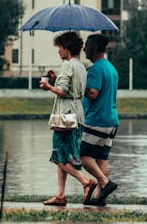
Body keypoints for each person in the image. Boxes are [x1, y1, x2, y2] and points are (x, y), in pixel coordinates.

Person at [40, 31, 97, 206]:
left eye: (59, 48)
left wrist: (48, 86)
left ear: (66, 48)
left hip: (65, 115)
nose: (58, 52)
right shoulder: (81, 66)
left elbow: (63, 91)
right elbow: (71, 88)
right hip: (78, 114)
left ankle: (85, 181)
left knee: (58, 155)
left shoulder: (67, 65)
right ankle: (60, 194)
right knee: (65, 155)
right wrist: (56, 79)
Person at [80, 34, 119, 206]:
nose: (84, 49)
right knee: (101, 159)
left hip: (96, 120)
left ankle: (104, 182)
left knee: (81, 154)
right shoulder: (111, 68)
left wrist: (78, 87)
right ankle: (99, 197)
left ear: (95, 48)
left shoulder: (96, 69)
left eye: (87, 45)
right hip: (111, 121)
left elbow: (93, 93)